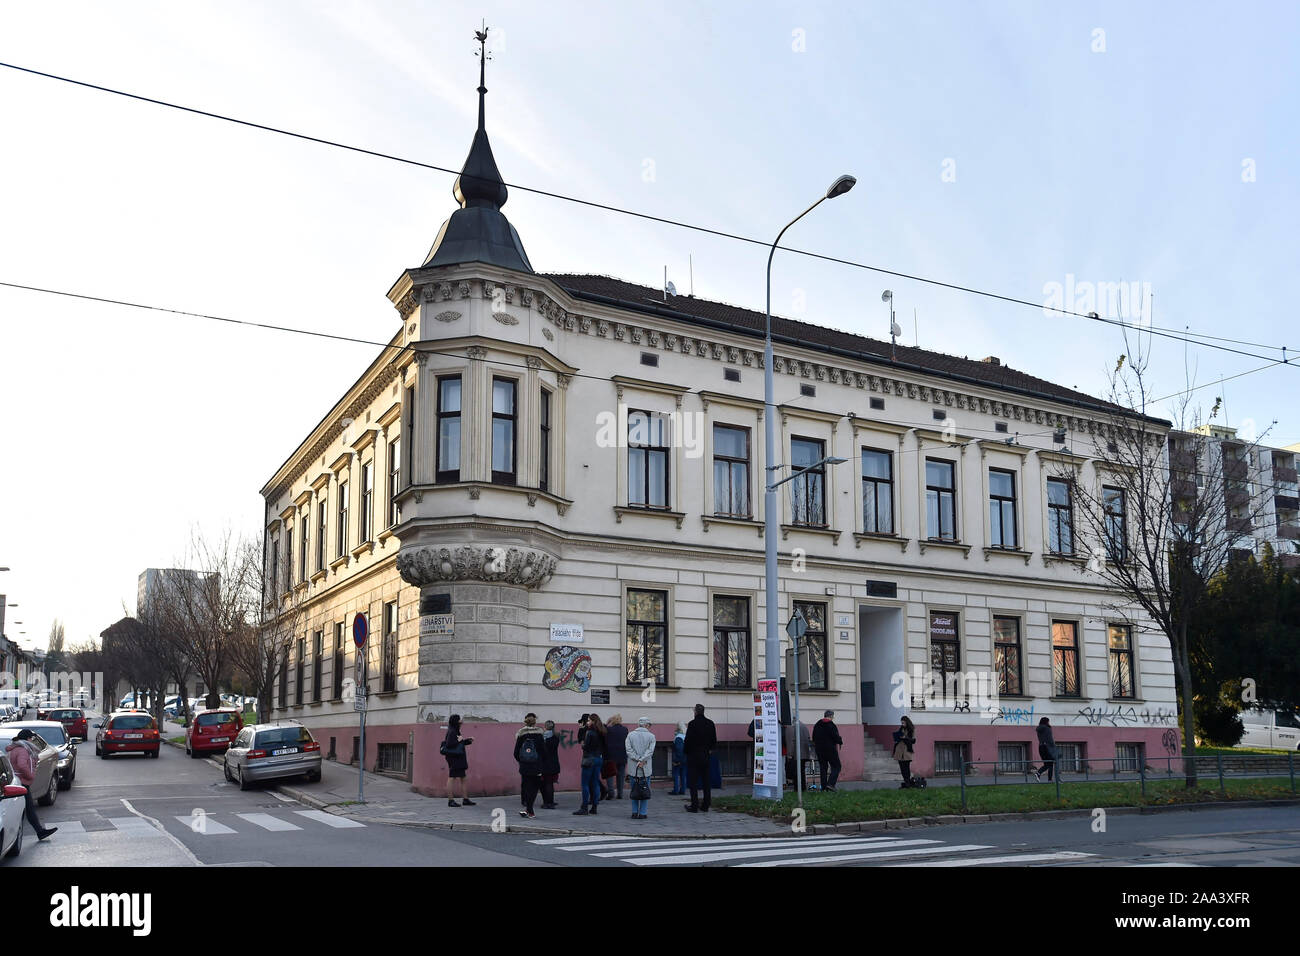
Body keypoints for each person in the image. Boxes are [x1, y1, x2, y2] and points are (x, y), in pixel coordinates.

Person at [5, 729, 56, 840]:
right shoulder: (23, 750)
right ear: (27, 739)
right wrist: (30, 776)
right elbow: (22, 765)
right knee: (27, 809)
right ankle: (35, 832)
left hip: (18, 782)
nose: (32, 740)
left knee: (28, 808)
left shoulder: (16, 748)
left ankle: (40, 832)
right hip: (21, 783)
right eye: (30, 738)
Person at [683, 704, 717, 812]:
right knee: (706, 781)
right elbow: (714, 740)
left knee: (693, 782)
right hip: (706, 756)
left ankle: (694, 805)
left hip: (693, 756)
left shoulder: (692, 724)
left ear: (695, 712)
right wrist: (710, 750)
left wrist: (686, 752)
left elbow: (687, 741)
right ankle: (706, 805)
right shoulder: (710, 723)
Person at [514, 713, 546, 818]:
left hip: (525, 766)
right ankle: (530, 810)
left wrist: (522, 761)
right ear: (535, 722)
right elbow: (544, 751)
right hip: (537, 765)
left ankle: (529, 810)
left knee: (527, 786)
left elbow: (516, 752)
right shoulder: (540, 734)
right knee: (535, 787)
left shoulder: (521, 734)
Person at [574, 713, 606, 815]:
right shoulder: (602, 731)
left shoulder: (590, 732)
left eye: (588, 720)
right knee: (595, 783)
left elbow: (586, 746)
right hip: (599, 758)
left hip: (589, 759)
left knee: (585, 784)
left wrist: (583, 745)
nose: (587, 722)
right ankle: (594, 807)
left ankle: (584, 807)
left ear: (592, 721)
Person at [625, 716, 656, 820]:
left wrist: (637, 759)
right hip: (645, 768)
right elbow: (650, 751)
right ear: (647, 725)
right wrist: (642, 760)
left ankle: (634, 812)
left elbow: (628, 750)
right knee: (644, 790)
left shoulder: (630, 735)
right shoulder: (651, 736)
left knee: (634, 790)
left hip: (633, 768)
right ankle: (643, 812)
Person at [443, 714, 476, 807]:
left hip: (459, 758)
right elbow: (450, 744)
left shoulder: (455, 730)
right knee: (452, 778)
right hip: (454, 759)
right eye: (459, 719)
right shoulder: (452, 731)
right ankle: (450, 800)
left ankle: (465, 799)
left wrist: (467, 741)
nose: (461, 721)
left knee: (463, 778)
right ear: (456, 721)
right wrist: (460, 740)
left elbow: (458, 744)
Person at [812, 709, 843, 792]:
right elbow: (835, 737)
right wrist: (840, 741)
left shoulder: (817, 724)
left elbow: (813, 737)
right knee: (837, 766)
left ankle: (823, 787)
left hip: (819, 750)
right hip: (830, 749)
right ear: (831, 716)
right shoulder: (831, 725)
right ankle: (831, 784)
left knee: (823, 768)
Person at [604, 713, 629, 799]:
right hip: (622, 755)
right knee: (621, 776)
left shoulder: (609, 729)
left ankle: (611, 793)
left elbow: (605, 741)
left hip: (611, 756)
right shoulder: (625, 729)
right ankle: (620, 794)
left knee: (610, 774)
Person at [783, 721, 812, 790]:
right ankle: (803, 788)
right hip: (804, 753)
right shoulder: (803, 726)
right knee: (802, 771)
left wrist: (789, 754)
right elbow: (808, 738)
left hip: (796, 753)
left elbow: (790, 742)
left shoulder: (790, 727)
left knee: (796, 772)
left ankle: (797, 789)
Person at [540, 719, 561, 809]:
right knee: (550, 783)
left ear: (545, 727)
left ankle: (548, 803)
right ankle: (551, 801)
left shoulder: (543, 738)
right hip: (554, 763)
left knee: (547, 783)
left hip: (545, 763)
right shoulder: (556, 737)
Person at [892, 716, 916, 788]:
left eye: (903, 723)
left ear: (906, 722)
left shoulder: (911, 729)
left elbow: (913, 741)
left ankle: (908, 782)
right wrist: (897, 737)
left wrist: (906, 738)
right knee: (902, 767)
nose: (902, 724)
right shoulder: (901, 728)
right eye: (901, 723)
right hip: (899, 750)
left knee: (906, 767)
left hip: (906, 750)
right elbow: (898, 735)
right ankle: (906, 782)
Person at [1034, 716, 1057, 782]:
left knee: (1047, 764)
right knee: (1050, 763)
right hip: (1048, 747)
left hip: (1041, 747)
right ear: (1046, 722)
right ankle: (1049, 779)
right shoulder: (1047, 728)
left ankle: (1038, 773)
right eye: (1048, 721)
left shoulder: (1039, 729)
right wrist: (1054, 747)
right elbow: (1050, 739)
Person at [669, 722, 687, 794]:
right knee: (683, 775)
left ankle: (676, 790)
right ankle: (683, 790)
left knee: (676, 775)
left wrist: (676, 761)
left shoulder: (678, 737)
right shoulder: (685, 736)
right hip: (685, 759)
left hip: (679, 759)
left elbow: (679, 749)